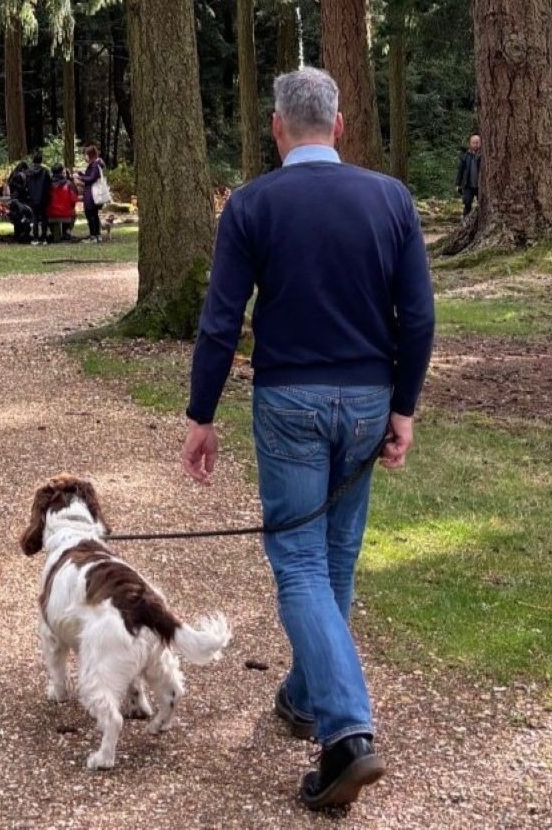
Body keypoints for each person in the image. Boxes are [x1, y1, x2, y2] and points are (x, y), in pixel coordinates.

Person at [181, 66, 435, 813]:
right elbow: (417, 317)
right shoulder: (389, 198)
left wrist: (202, 415)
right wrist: (404, 404)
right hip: (364, 398)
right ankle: (301, 696)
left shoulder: (254, 204)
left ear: (277, 127)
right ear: (340, 124)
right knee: (332, 559)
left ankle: (347, 733)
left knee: (299, 564)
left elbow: (221, 320)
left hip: (288, 398)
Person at [80, 144, 108, 242]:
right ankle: (97, 235)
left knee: (90, 213)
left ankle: (94, 235)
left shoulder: (95, 164)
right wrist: (81, 174)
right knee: (94, 214)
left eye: (85, 154)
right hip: (92, 193)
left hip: (91, 193)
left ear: (90, 154)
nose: (85, 157)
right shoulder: (95, 164)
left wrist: (80, 177)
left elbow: (91, 178)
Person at [46, 166, 80, 242]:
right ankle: (66, 232)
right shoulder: (69, 184)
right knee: (73, 213)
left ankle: (55, 234)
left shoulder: (47, 184)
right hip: (66, 213)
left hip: (51, 213)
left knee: (49, 214)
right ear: (62, 172)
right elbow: (74, 199)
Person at [455, 133, 481, 217]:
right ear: (470, 143)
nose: (475, 145)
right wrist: (458, 184)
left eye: (477, 142)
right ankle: (465, 222)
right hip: (468, 185)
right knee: (467, 204)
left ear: (480, 143)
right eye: (473, 143)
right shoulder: (465, 156)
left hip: (480, 186)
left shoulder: (483, 156)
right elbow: (460, 170)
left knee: (482, 204)